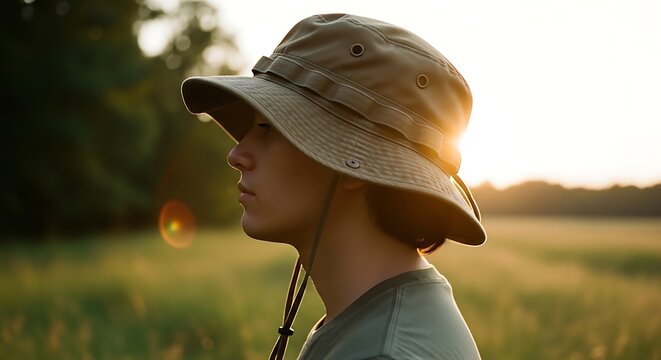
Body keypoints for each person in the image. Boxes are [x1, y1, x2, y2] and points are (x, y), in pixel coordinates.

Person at [181, 13, 486, 360]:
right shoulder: (374, 315)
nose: (237, 154)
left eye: (268, 128)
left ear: (354, 163)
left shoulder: (385, 352)